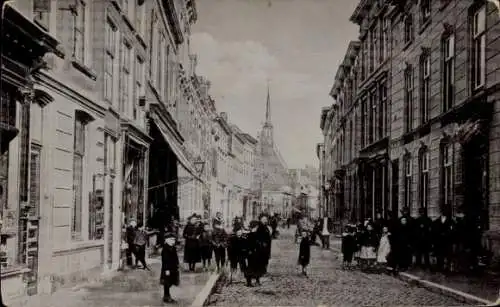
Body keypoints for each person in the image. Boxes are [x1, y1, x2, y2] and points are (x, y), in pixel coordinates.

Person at [161, 232, 180, 304]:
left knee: (170, 282)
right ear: (166, 240)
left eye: (174, 240)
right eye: (171, 240)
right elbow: (165, 260)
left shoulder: (173, 248)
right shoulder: (165, 249)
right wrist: (166, 270)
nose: (173, 241)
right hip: (167, 269)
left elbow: (176, 257)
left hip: (173, 268)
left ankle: (167, 296)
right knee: (167, 283)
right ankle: (166, 296)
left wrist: (177, 265)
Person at [245, 221, 265, 287]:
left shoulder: (255, 234)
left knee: (257, 267)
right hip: (252, 254)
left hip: (256, 253)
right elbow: (249, 245)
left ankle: (256, 281)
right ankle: (249, 282)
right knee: (251, 267)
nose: (257, 228)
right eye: (257, 227)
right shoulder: (250, 235)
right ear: (255, 227)